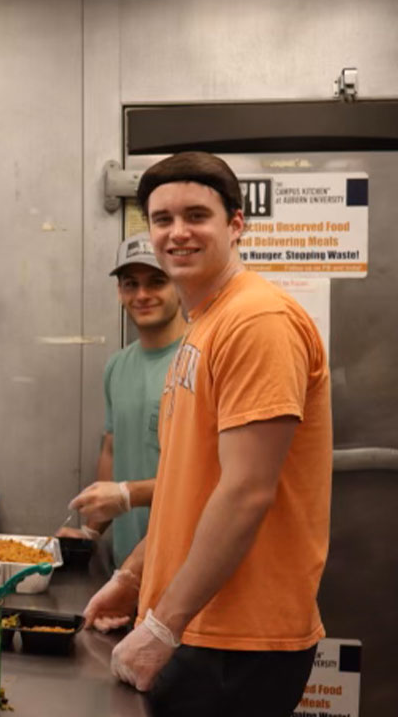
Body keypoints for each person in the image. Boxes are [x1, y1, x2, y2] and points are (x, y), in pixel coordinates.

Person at [83, 152, 332, 716]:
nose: (178, 233)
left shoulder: (257, 321)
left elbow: (246, 492)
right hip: (197, 628)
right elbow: (188, 488)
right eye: (163, 219)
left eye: (197, 215)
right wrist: (132, 576)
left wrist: (164, 627)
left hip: (236, 639)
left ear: (236, 223)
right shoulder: (205, 326)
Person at [59, 234, 186, 568]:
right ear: (120, 293)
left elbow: (213, 480)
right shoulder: (118, 366)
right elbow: (112, 449)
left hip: (185, 566)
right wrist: (91, 531)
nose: (142, 295)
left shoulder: (200, 359)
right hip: (127, 566)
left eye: (156, 282)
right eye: (131, 284)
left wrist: (128, 495)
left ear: (179, 285)